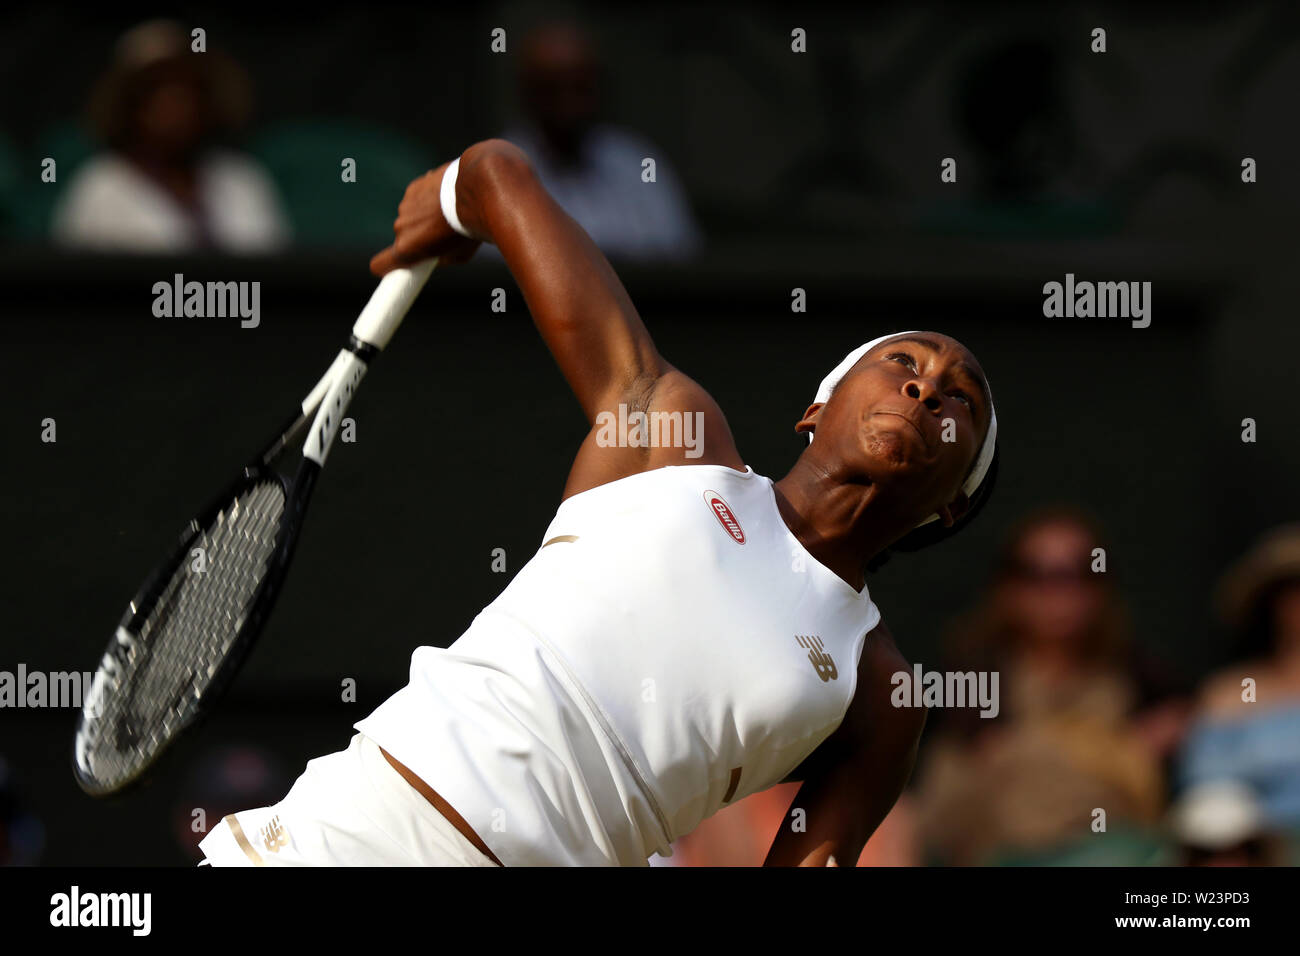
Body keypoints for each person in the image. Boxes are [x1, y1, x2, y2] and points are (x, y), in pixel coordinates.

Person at [198, 137, 999, 867]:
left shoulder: (880, 691)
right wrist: (449, 199)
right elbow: (497, 175)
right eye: (902, 360)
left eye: (960, 400)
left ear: (955, 506)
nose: (925, 386)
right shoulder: (672, 439)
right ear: (816, 410)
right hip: (350, 837)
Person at [913, 507, 1184, 865]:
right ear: (1007, 587)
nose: (1059, 592)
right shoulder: (970, 678)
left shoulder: (1134, 675)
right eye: (1036, 574)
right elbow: (942, 814)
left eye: (1078, 573)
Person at [51, 19, 289, 253]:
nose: (176, 109)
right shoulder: (98, 187)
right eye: (158, 95)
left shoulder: (243, 179)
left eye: (187, 94)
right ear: (132, 107)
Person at [492, 19, 702, 261]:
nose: (568, 105)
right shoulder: (497, 170)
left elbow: (680, 257)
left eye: (580, 86)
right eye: (551, 88)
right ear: (526, 92)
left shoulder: (637, 162)